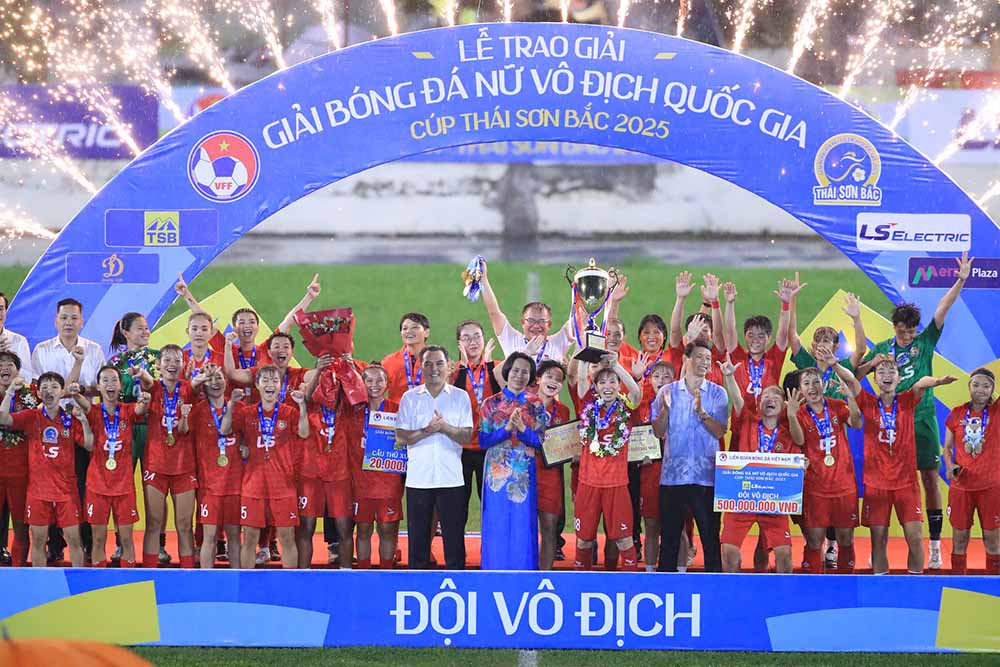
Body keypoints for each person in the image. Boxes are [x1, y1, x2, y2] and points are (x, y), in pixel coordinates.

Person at [860, 252, 973, 569]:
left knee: (928, 479)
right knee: (883, 481)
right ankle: (877, 547)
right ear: (894, 326)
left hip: (921, 421)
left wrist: (961, 279)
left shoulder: (924, 341)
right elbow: (857, 375)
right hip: (887, 426)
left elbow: (942, 309)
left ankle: (935, 545)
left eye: (912, 331)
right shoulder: (882, 349)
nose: (909, 336)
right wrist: (870, 364)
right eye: (904, 331)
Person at [840, 353, 956, 574]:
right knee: (878, 540)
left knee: (914, 537)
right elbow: (851, 381)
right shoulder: (867, 401)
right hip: (876, 484)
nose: (886, 375)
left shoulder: (906, 400)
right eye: (881, 372)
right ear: (875, 380)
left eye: (891, 371)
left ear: (899, 378)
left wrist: (938, 381)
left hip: (906, 484)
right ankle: (880, 582)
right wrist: (834, 364)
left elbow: (921, 383)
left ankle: (915, 581)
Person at [788, 290, 867, 569]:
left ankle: (843, 574)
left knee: (845, 535)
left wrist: (856, 318)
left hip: (840, 454)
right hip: (815, 468)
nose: (822, 345)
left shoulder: (841, 368)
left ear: (835, 346)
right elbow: (791, 338)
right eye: (818, 340)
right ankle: (813, 583)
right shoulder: (806, 367)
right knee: (813, 538)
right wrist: (791, 301)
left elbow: (860, 350)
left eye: (828, 340)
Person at [34, 298, 105, 564]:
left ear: (82, 321)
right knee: (50, 486)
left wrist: (82, 391)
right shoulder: (42, 350)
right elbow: (42, 389)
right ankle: (54, 545)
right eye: (64, 318)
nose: (68, 323)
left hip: (81, 422)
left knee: (83, 485)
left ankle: (85, 544)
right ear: (56, 321)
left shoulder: (94, 350)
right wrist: (67, 389)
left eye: (74, 318)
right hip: (49, 427)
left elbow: (102, 387)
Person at [718, 359, 805, 573]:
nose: (770, 399)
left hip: (773, 502)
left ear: (784, 404)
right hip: (741, 499)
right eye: (765, 395)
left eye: (776, 396)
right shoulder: (747, 420)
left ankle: (781, 599)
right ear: (759, 403)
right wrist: (729, 376)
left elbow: (798, 462)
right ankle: (732, 594)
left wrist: (802, 467)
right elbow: (738, 399)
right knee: (729, 552)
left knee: (784, 556)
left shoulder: (789, 434)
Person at [0, 372, 92, 567]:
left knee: (75, 541)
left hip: (66, 492)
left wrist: (84, 421)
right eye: (44, 387)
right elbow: (2, 417)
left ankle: (79, 590)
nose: (49, 391)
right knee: (39, 542)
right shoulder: (31, 417)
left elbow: (90, 445)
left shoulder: (69, 419)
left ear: (62, 392)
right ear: (39, 394)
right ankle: (40, 585)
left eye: (54, 387)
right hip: (38, 492)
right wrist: (9, 392)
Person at [652, 340, 728, 572]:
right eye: (700, 357)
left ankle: (714, 589)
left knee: (710, 538)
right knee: (670, 541)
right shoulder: (667, 392)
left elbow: (720, 430)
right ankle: (665, 589)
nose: (705, 362)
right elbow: (658, 431)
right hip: (673, 478)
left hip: (706, 478)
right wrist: (665, 411)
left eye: (708, 358)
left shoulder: (718, 394)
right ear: (687, 359)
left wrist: (702, 414)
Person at [396, 346, 473, 570]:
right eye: (428, 364)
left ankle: (458, 586)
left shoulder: (460, 397)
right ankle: (417, 587)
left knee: (454, 540)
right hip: (419, 480)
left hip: (452, 480)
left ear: (449, 367)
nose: (434, 369)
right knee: (418, 541)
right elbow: (401, 436)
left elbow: (467, 435)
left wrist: (444, 427)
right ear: (420, 367)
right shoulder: (410, 398)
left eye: (439, 363)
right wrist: (427, 431)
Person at [230, 365, 310, 569]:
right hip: (253, 485)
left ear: (280, 385)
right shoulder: (246, 413)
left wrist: (302, 407)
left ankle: (289, 586)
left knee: (287, 538)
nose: (270, 384)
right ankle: (246, 586)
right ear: (256, 385)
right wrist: (231, 405)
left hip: (282, 485)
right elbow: (227, 430)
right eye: (264, 380)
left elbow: (303, 433)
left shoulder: (289, 412)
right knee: (249, 538)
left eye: (274, 380)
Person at [69, 366, 145, 567]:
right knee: (99, 540)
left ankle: (129, 581)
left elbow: (141, 409)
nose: (110, 384)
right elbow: (76, 396)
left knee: (127, 540)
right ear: (99, 387)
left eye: (114, 380)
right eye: (105, 380)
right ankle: (98, 581)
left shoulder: (128, 411)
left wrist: (145, 399)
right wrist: (76, 389)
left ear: (120, 386)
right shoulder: (92, 412)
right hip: (97, 487)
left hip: (124, 488)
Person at [573, 354, 643, 571]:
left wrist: (616, 366)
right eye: (602, 381)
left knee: (623, 540)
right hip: (588, 483)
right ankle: (580, 585)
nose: (608, 386)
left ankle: (630, 588)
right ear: (596, 386)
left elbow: (636, 392)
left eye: (612, 381)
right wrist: (585, 354)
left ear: (618, 385)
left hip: (617, 484)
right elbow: (582, 382)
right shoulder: (588, 407)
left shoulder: (627, 408)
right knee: (584, 540)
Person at [133, 344, 200, 569]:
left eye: (177, 360)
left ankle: (188, 573)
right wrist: (140, 374)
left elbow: (198, 383)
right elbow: (146, 380)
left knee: (184, 524)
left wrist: (204, 376)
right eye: (167, 360)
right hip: (155, 465)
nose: (172, 364)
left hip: (184, 466)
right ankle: (150, 572)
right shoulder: (153, 389)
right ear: (159, 365)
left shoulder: (189, 388)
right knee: (153, 523)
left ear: (183, 364)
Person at [479, 352, 547, 570]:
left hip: (523, 473)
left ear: (531, 376)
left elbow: (541, 442)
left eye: (525, 372)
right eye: (516, 370)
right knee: (496, 521)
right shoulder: (491, 403)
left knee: (522, 522)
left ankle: (524, 569)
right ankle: (493, 568)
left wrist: (523, 430)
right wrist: (506, 430)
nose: (519, 375)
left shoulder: (536, 404)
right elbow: (483, 440)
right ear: (507, 371)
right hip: (496, 471)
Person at [796, 363, 862, 573]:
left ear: (823, 385)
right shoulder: (798, 414)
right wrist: (790, 415)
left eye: (816, 382)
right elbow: (798, 440)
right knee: (814, 541)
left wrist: (850, 397)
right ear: (801, 389)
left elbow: (857, 423)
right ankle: (812, 590)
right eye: (806, 383)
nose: (812, 387)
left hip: (844, 486)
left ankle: (846, 586)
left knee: (845, 538)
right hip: (815, 488)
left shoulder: (836, 405)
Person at [943, 368, 1000, 575]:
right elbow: (947, 448)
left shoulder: (997, 411)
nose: (980, 390)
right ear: (969, 387)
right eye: (976, 384)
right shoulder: (956, 413)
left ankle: (995, 586)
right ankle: (958, 582)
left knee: (992, 540)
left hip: (991, 487)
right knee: (959, 539)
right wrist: (949, 466)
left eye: (986, 386)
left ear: (992, 388)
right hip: (962, 487)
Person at [297, 365, 353, 570]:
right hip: (310, 475)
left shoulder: (348, 407)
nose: (327, 388)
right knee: (306, 528)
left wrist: (346, 364)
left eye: (332, 384)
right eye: (321, 384)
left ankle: (346, 576)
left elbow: (358, 389)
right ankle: (303, 576)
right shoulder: (307, 406)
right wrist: (319, 369)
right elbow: (307, 394)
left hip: (340, 476)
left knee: (344, 529)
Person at [349, 364, 402, 569]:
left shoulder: (396, 410)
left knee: (387, 529)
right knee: (363, 529)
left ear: (387, 384)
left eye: (379, 380)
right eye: (368, 380)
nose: (374, 385)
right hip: (361, 482)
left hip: (388, 482)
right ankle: (363, 572)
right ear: (361, 384)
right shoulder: (353, 409)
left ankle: (386, 572)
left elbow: (405, 441)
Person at [189, 365, 242, 569]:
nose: (215, 382)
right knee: (208, 537)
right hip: (209, 486)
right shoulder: (197, 411)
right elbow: (182, 432)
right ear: (203, 384)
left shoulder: (239, 408)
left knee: (234, 536)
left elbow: (248, 436)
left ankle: (237, 581)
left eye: (218, 377)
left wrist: (245, 445)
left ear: (226, 382)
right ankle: (206, 581)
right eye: (210, 379)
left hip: (234, 485)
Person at [452, 320, 501, 531]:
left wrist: (489, 365)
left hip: (488, 448)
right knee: (458, 505)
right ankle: (457, 557)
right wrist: (462, 367)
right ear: (459, 343)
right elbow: (455, 398)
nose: (473, 342)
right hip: (460, 449)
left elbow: (502, 399)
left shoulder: (496, 367)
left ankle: (491, 554)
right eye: (467, 337)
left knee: (490, 505)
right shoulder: (453, 369)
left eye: (477, 336)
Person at [478, 259, 574, 363]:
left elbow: (579, 320)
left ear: (549, 324)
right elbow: (494, 313)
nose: (536, 326)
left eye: (541, 321)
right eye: (531, 320)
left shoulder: (558, 343)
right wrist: (483, 280)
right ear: (523, 323)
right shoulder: (511, 339)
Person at [637, 359, 675, 571]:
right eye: (656, 376)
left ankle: (680, 574)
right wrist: (638, 456)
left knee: (675, 527)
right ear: (650, 380)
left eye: (666, 376)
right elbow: (633, 438)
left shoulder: (682, 403)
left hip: (675, 473)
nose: (661, 380)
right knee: (651, 525)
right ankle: (650, 572)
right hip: (649, 472)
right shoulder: (643, 405)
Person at [0, 351, 36, 567]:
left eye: (10, 364)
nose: (5, 367)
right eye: (1, 363)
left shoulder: (30, 394)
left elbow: (59, 391)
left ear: (18, 370)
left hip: (21, 471)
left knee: (22, 525)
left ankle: (20, 567)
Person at [535, 359, 570, 571]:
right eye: (549, 376)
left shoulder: (564, 411)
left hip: (551, 477)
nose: (553, 381)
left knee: (549, 529)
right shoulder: (525, 404)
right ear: (538, 379)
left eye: (558, 379)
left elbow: (567, 444)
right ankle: (524, 573)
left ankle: (543, 575)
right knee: (525, 529)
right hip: (527, 474)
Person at [381, 313, 431, 404]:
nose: (409, 331)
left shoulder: (437, 360)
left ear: (426, 332)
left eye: (415, 327)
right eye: (405, 328)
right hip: (398, 414)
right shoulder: (389, 362)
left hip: (429, 414)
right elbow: (376, 389)